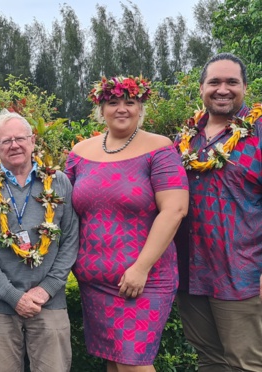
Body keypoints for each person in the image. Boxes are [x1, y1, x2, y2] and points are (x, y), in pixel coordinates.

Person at [64, 76, 189, 371]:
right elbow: (61, 210)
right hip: (94, 281)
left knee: (134, 364)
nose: (122, 109)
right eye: (113, 102)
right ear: (101, 108)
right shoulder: (79, 153)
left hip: (143, 279)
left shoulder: (160, 149)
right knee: (115, 363)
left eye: (130, 102)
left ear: (140, 108)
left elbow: (175, 209)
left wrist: (141, 268)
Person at [0, 111, 79, 372]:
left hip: (49, 302)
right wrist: (12, 296)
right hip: (0, 305)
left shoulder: (59, 182)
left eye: (20, 138)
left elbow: (71, 238)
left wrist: (47, 289)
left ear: (32, 141)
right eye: (6, 141)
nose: (14, 145)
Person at [173, 52, 262, 372]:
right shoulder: (186, 139)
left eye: (231, 82)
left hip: (242, 274)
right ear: (202, 88)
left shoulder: (258, 132)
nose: (222, 89)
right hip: (190, 273)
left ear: (244, 87)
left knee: (246, 364)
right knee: (209, 361)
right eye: (214, 82)